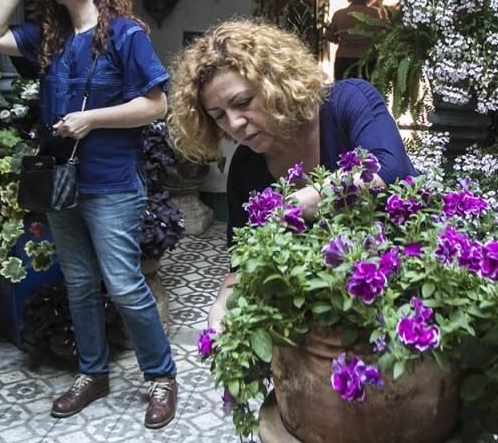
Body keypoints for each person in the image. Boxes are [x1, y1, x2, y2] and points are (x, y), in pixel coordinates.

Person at [0, 0, 178, 428]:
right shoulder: (48, 38)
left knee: (125, 286)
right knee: (80, 285)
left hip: (110, 184)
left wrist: (92, 120)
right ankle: (93, 373)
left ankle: (162, 377)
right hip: (61, 184)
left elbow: (156, 107)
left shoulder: (126, 36)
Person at [166, 18, 414, 331]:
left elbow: (388, 167)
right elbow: (243, 261)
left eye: (243, 102)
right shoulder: (246, 167)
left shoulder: (348, 102)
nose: (235, 123)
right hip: (318, 318)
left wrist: (314, 196)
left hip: (399, 294)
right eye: (219, 117)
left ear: (275, 83)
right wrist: (223, 305)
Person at [324, 0, 386, 80]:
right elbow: (380, 36)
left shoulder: (339, 14)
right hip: (366, 59)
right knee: (365, 91)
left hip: (343, 58)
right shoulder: (374, 13)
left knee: (343, 91)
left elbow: (329, 36)